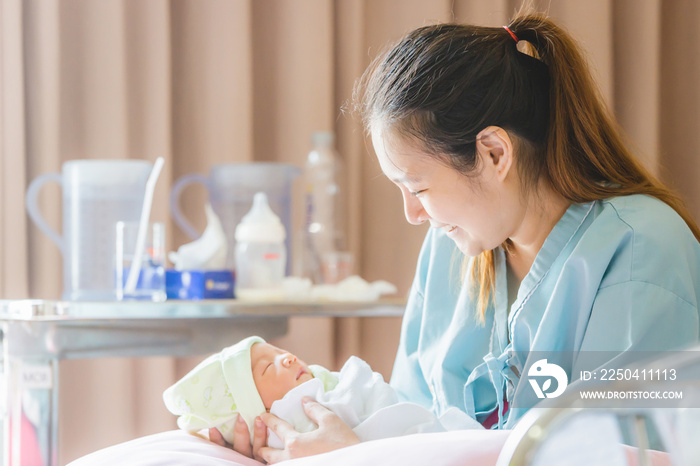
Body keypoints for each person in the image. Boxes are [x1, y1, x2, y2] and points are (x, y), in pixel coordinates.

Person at [211, 11, 700, 464]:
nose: (412, 214)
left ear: (492, 152)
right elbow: (404, 415)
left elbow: (626, 455)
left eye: (418, 186)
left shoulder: (640, 251)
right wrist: (289, 426)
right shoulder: (452, 251)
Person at [165, 336, 480, 448]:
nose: (286, 357)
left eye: (278, 351)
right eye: (267, 367)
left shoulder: (323, 385)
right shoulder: (288, 420)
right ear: (253, 411)